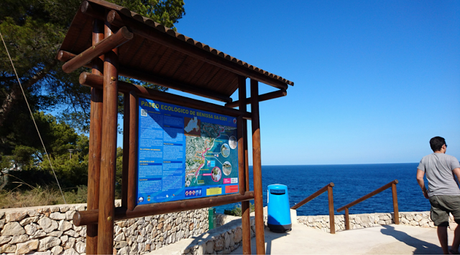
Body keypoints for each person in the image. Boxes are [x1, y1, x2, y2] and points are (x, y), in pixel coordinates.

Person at [417, 136, 460, 254]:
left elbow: (419, 177)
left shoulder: (425, 159)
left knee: (441, 225)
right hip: (453, 194)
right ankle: (455, 247)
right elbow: (459, 175)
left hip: (435, 196)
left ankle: (446, 252)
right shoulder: (451, 159)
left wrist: (424, 190)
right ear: (443, 146)